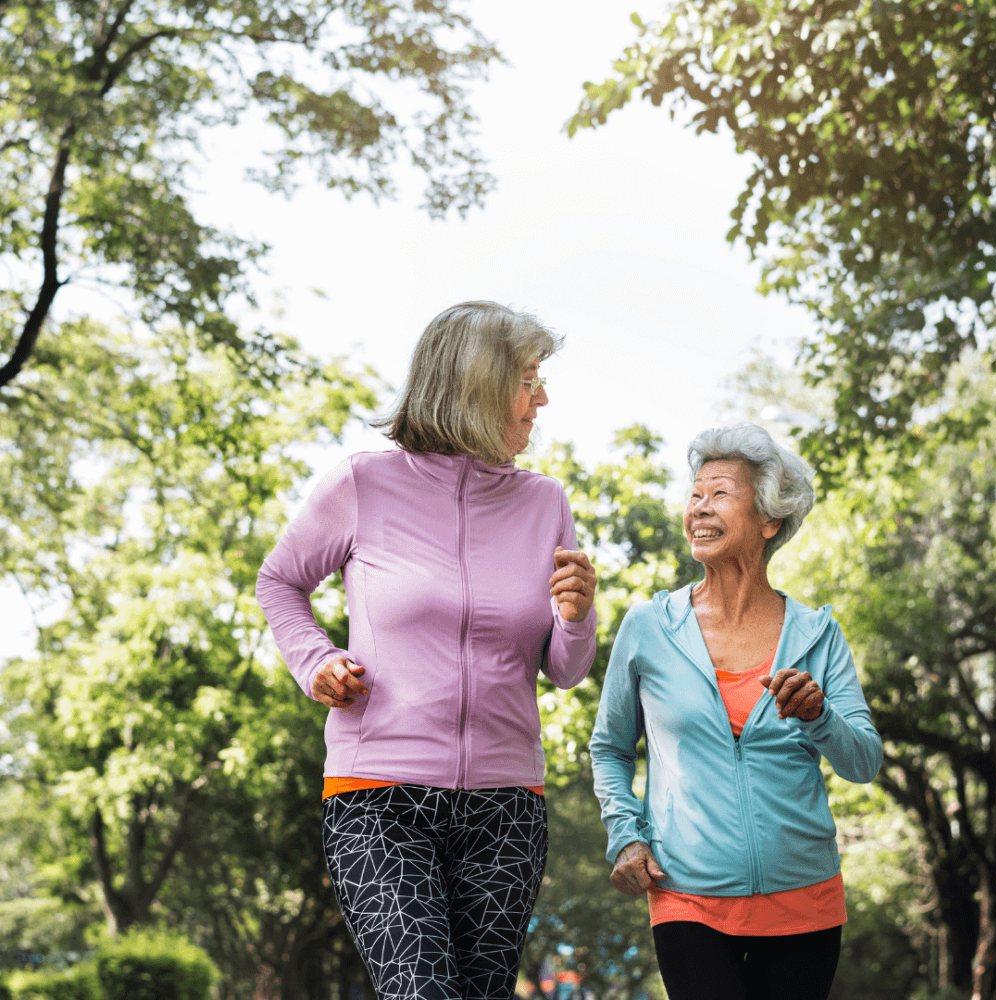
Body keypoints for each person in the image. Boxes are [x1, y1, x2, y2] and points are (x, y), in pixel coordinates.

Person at [256, 301, 597, 1000]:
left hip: (506, 806)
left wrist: (577, 615)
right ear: (476, 383)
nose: (543, 398)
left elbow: (565, 670)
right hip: (380, 795)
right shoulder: (364, 484)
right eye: (528, 379)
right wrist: (315, 661)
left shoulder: (545, 503)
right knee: (422, 991)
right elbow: (280, 581)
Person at [589, 423, 882, 1000]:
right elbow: (610, 747)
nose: (699, 508)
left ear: (770, 519)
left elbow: (864, 760)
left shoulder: (817, 635)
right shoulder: (649, 628)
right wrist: (626, 834)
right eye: (695, 495)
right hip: (686, 894)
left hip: (805, 898)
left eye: (720, 494)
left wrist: (819, 716)